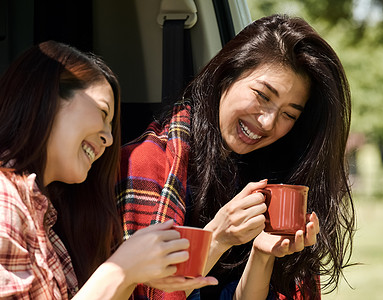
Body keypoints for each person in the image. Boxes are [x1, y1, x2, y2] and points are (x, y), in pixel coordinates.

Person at [117, 14, 355, 300]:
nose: (268, 122)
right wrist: (217, 237)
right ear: (227, 73)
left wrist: (264, 253)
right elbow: (145, 292)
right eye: (263, 96)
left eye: (289, 114)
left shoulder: (271, 172)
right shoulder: (145, 164)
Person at [0, 40, 217, 299]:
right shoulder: (5, 199)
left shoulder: (42, 214)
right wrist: (121, 268)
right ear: (48, 97)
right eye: (103, 113)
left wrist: (134, 274)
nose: (109, 138)